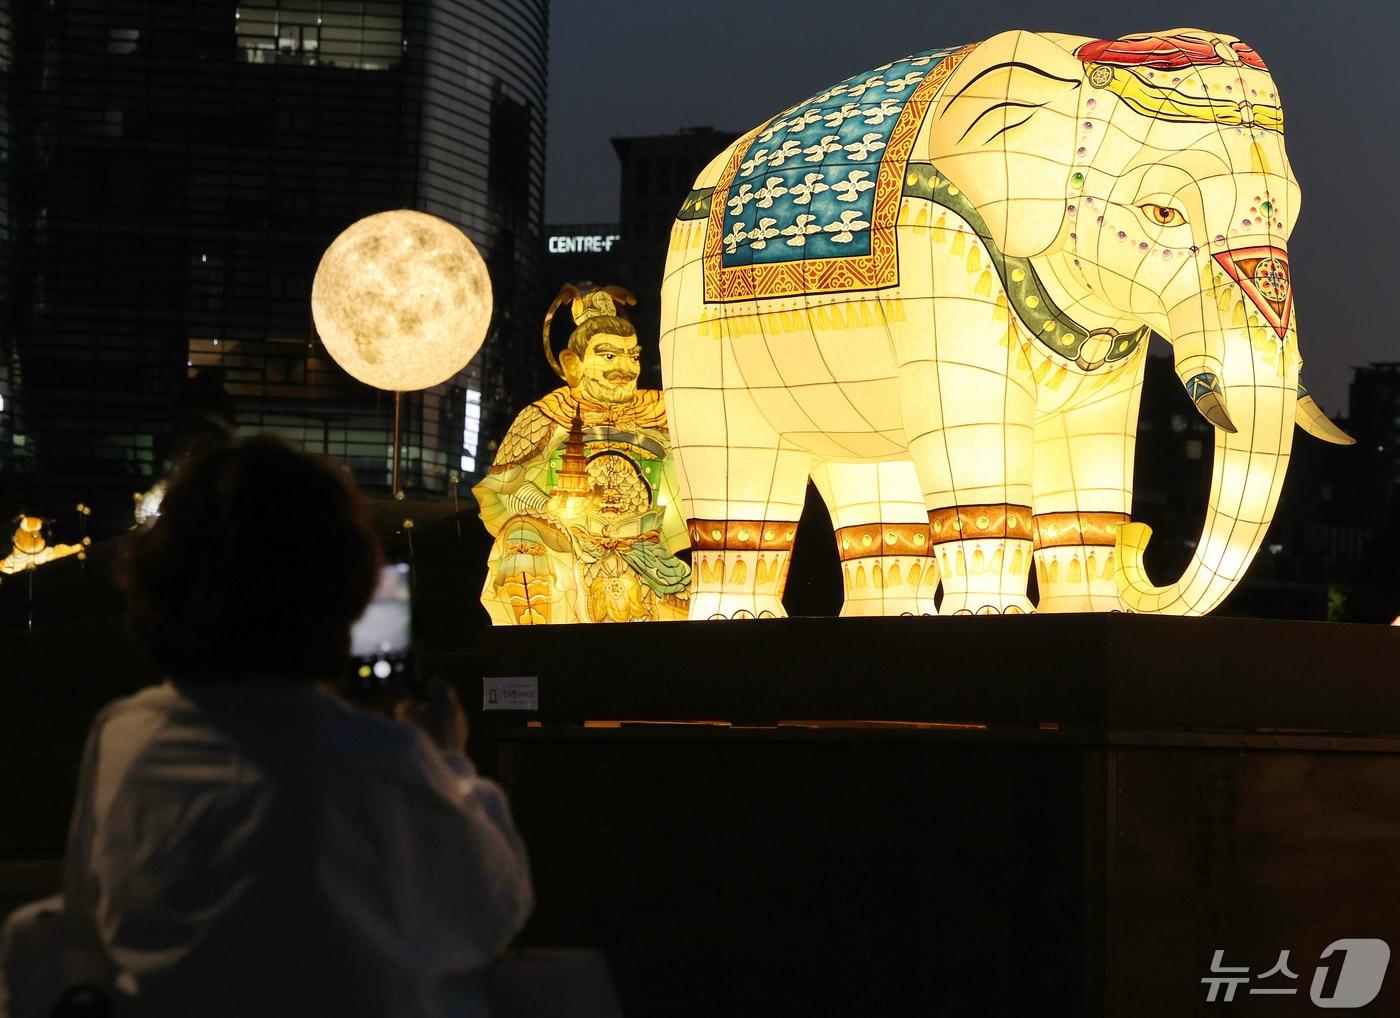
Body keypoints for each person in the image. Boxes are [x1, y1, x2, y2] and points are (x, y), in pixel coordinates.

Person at [24, 436, 532, 1017]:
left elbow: (86, 914)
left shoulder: (123, 734)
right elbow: (491, 913)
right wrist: (447, 760)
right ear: (344, 590)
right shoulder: (381, 758)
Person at [473, 285, 690, 624]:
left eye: (633, 356)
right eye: (608, 356)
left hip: (647, 547)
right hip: (568, 542)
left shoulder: (661, 410)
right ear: (573, 364)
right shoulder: (547, 414)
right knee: (520, 541)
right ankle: (535, 650)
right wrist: (549, 506)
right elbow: (507, 488)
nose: (626, 368)